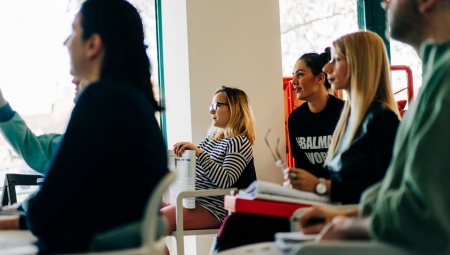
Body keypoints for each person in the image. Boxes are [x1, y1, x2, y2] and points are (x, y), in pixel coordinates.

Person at [300, 0, 450, 254]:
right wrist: (350, 213)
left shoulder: (441, 84)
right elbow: (400, 192)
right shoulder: (434, 80)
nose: (384, 3)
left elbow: (426, 217)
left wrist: (349, 226)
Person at [24, 0, 168, 253]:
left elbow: (43, 212)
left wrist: (25, 212)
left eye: (74, 31)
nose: (66, 42)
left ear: (93, 45)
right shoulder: (135, 104)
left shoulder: (102, 99)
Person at [211, 49, 345, 253]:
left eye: (300, 74)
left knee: (239, 227)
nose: (293, 81)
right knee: (235, 222)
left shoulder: (345, 114)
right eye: (293, 75)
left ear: (320, 78)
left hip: (333, 197)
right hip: (307, 197)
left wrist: (319, 186)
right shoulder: (296, 119)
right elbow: (301, 166)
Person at [160, 86, 256, 237]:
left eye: (216, 105)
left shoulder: (239, 142)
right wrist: (183, 159)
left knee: (158, 222)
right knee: (143, 211)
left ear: (235, 108)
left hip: (212, 208)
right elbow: (196, 173)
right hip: (189, 201)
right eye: (211, 106)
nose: (211, 110)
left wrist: (199, 153)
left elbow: (225, 181)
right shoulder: (211, 139)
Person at [0, 77, 89, 230]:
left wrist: (19, 220)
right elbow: (33, 145)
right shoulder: (72, 139)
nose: (74, 79)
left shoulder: (101, 140)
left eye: (84, 74)